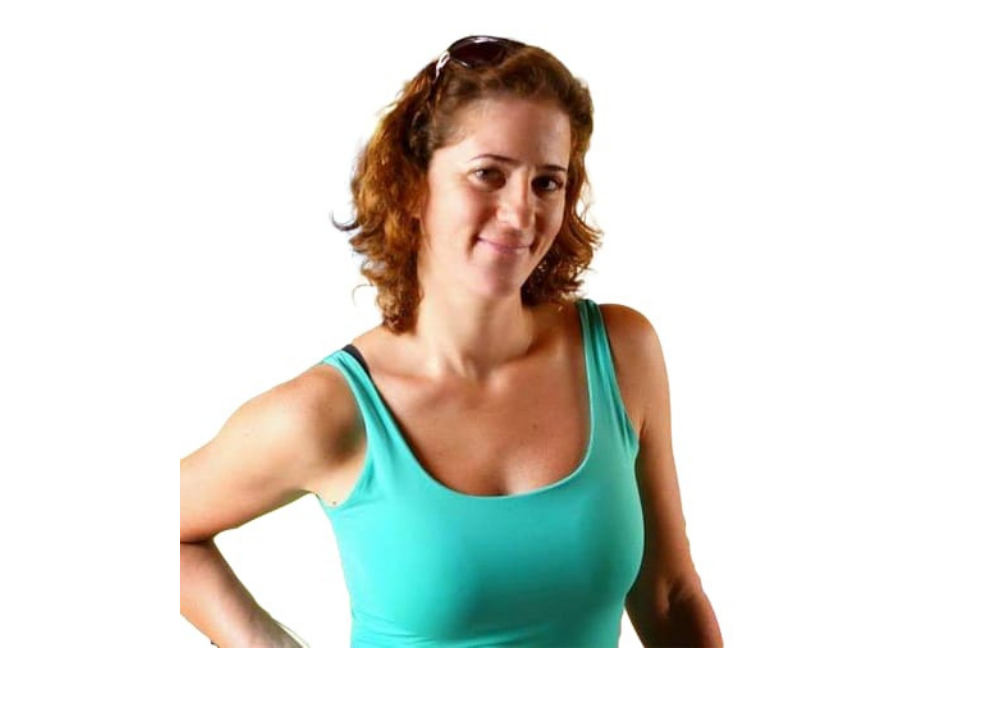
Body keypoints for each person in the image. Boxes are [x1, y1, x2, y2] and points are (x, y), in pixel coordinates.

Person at [180, 35, 723, 648]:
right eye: (489, 174)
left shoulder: (622, 353)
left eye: (548, 182)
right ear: (412, 187)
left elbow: (669, 596)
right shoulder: (328, 412)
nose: (521, 213)